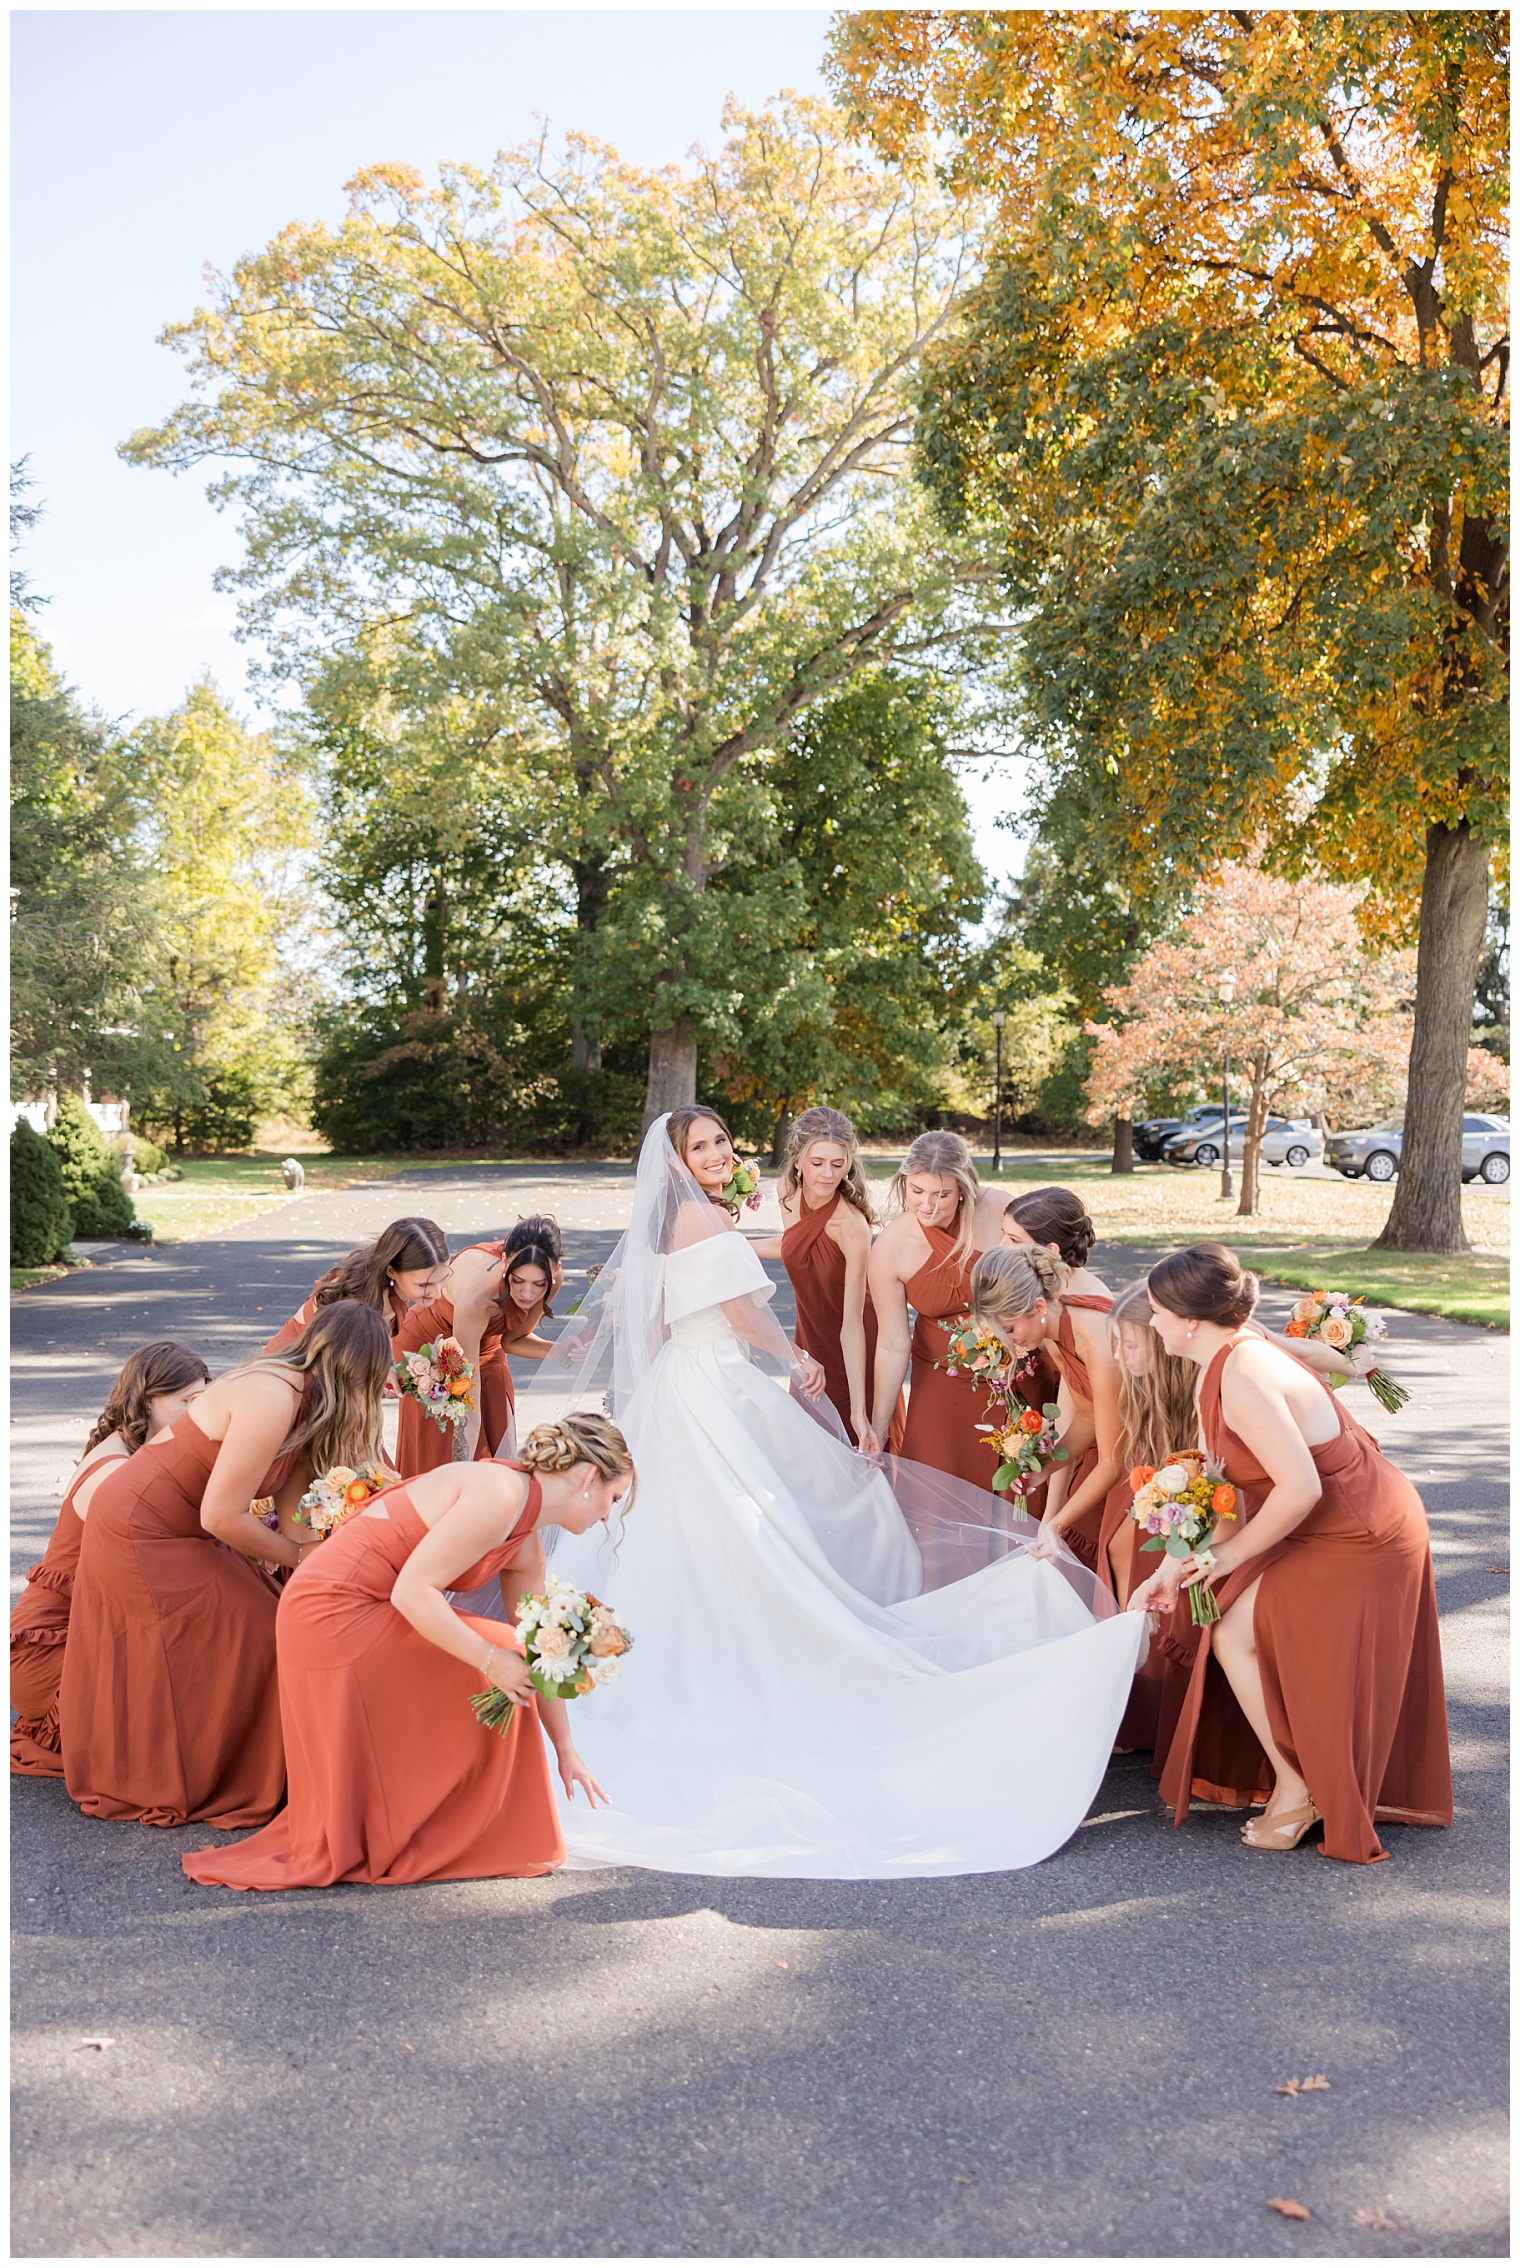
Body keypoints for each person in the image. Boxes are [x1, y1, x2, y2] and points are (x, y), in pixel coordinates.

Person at [514, 1109, 1148, 1879]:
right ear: (678, 1160)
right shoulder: (697, 1215)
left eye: (721, 1140)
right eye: (702, 1146)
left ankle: (689, 1649)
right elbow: (745, 1312)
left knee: (712, 1529)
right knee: (751, 1529)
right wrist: (794, 1355)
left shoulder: (687, 1212)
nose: (718, 1153)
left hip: (694, 1378)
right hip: (712, 1382)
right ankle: (727, 1662)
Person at [180, 1416, 631, 1892]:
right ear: (587, 1477)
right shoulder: (500, 1493)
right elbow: (413, 1593)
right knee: (498, 1654)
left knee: (510, 1655)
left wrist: (564, 1748)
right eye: (614, 1498)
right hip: (331, 1612)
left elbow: (539, 1650)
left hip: (370, 1610)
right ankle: (462, 1829)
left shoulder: (526, 1548)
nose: (609, 1515)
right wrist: (487, 1658)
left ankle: (467, 1826)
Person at [1129, 1244, 1452, 1862]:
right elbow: (1213, 1484)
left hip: (1363, 1531)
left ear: (1190, 1319)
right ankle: (1299, 1780)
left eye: (1156, 1311)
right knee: (1230, 1628)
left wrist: (1224, 1560)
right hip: (1317, 1524)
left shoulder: (1243, 1374)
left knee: (1239, 1628)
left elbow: (1300, 1487)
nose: (1152, 1322)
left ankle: (1300, 1788)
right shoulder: (1217, 1363)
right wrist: (1169, 1572)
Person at [60, 1303, 392, 1830]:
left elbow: (293, 1518)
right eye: (370, 1381)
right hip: (140, 1529)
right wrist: (305, 1557)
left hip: (188, 1527)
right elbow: (222, 1515)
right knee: (256, 1636)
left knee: (282, 1618)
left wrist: (329, 1580)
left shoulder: (311, 1406)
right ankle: (213, 1774)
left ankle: (281, 1768)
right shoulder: (272, 1394)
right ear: (350, 1366)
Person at [11, 1342, 210, 1777]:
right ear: (147, 1400)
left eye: (202, 1402)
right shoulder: (113, 1472)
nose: (197, 1415)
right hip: (54, 1653)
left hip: (96, 1628)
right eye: (186, 1402)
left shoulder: (141, 1451)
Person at [867, 1131, 1018, 1491]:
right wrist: (879, 1425)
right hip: (942, 1386)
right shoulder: (890, 1247)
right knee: (937, 1492)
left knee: (1017, 1492)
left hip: (1016, 1376)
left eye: (942, 1195)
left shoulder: (1003, 1211)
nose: (928, 1206)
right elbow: (891, 1343)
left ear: (963, 1187)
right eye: (916, 1191)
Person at [750, 1105, 902, 1451]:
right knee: (807, 1450)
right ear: (798, 1160)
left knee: (849, 1449)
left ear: (849, 1164)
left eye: (838, 1164)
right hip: (809, 1335)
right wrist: (732, 1245)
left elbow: (852, 1323)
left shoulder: (852, 1226)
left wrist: (860, 1412)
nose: (827, 1175)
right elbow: (796, 1247)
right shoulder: (788, 1194)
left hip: (851, 1341)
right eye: (817, 1163)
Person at [970, 1245, 1122, 1573]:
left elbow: (1112, 1463)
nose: (1008, 1342)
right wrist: (1043, 1469)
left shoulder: (1096, 1343)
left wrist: (1054, 1524)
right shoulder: (1053, 1331)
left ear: (1038, 1305)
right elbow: (1087, 1415)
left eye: (1009, 1330)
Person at [261, 1217, 451, 1359]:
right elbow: (334, 1364)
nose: (437, 1293)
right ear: (392, 1271)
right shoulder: (350, 1299)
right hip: (292, 1371)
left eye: (442, 1279)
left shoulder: (394, 1287)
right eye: (424, 1285)